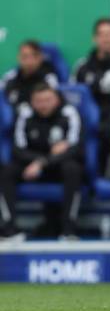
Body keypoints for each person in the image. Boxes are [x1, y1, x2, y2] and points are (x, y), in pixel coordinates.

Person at [0, 83, 84, 239]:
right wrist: (38, 161)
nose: (43, 105)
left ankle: (68, 229)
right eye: (39, 101)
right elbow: (17, 149)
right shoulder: (25, 114)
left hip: (57, 165)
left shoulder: (68, 113)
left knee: (73, 168)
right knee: (7, 171)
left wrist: (44, 162)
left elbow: (76, 148)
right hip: (30, 166)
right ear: (32, 101)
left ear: (56, 100)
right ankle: (8, 228)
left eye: (47, 100)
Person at [73, 19, 110, 174]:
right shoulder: (82, 66)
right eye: (102, 35)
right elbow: (74, 100)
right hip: (91, 126)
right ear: (94, 38)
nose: (106, 39)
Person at [1, 41, 58, 110]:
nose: (29, 62)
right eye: (25, 57)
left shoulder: (48, 77)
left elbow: (51, 104)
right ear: (19, 58)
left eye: (34, 56)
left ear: (40, 57)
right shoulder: (11, 75)